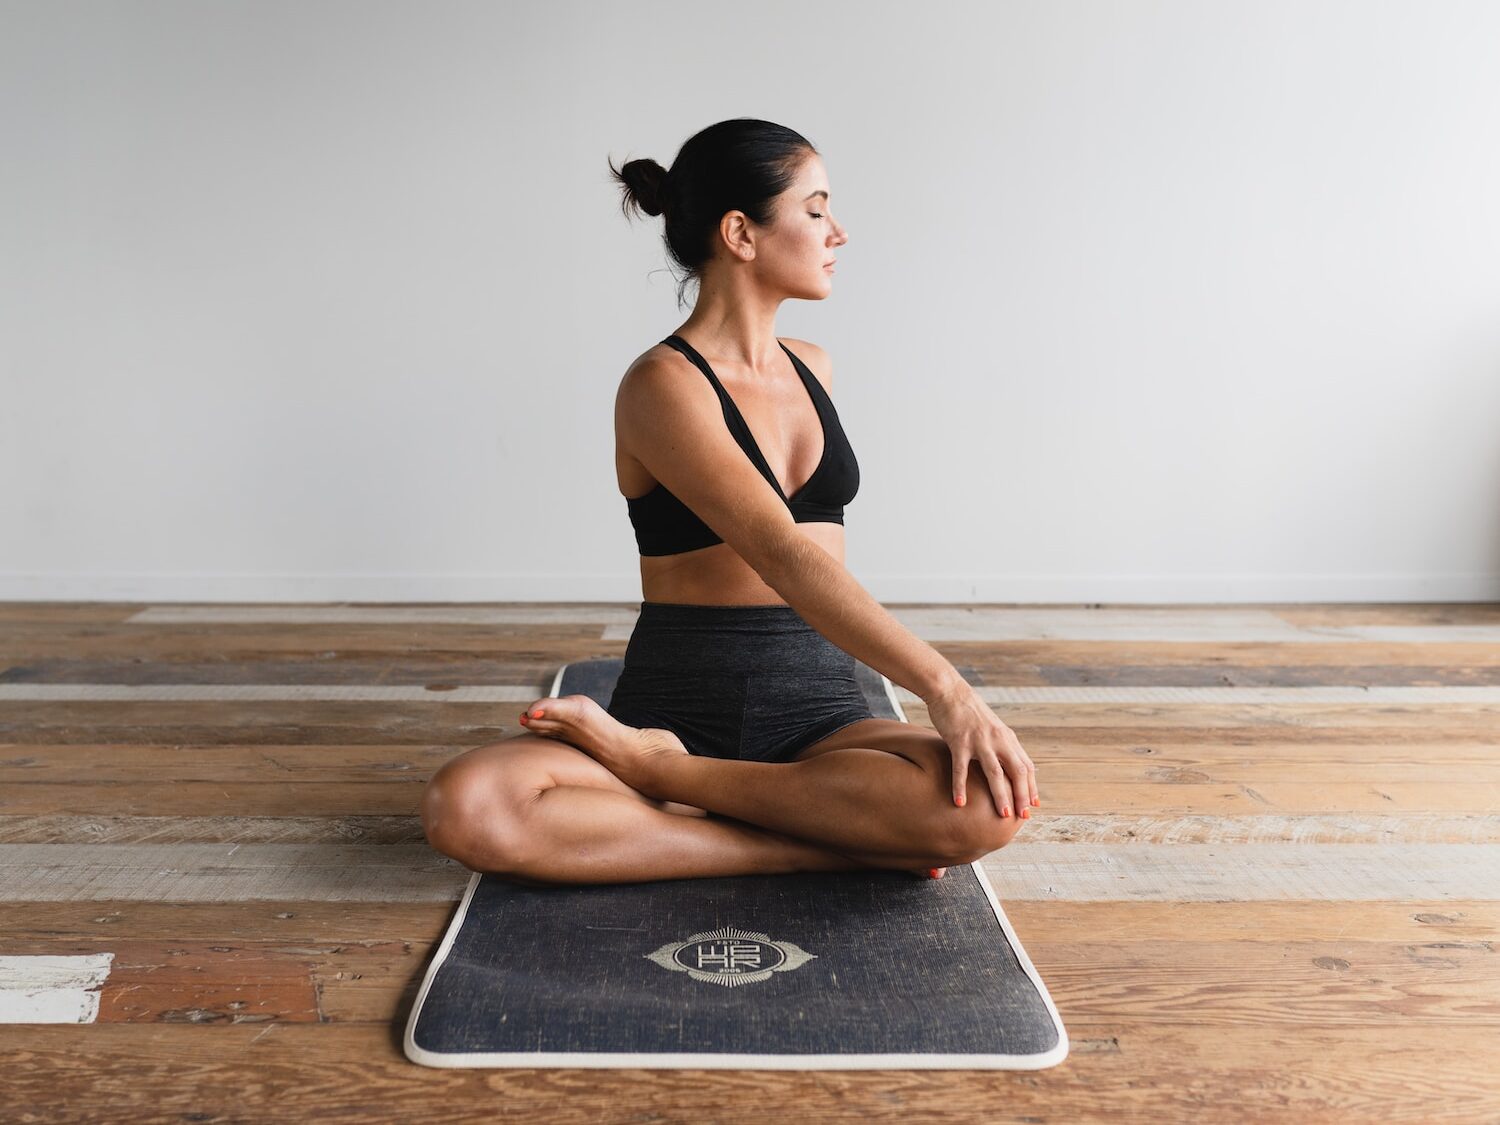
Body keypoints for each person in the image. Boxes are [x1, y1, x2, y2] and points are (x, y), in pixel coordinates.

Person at [420, 118, 1038, 886]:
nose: (837, 232)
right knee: (469, 805)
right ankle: (806, 835)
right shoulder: (661, 385)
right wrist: (948, 689)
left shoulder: (815, 368)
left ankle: (679, 787)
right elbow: (781, 553)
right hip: (675, 709)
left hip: (820, 716)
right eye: (815, 210)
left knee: (989, 802)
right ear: (741, 232)